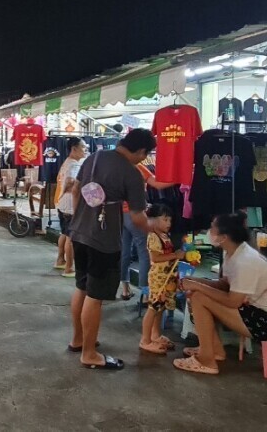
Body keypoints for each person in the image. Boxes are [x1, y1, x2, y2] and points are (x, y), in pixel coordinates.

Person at [67, 128, 156, 371]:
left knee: (82, 288)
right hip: (103, 241)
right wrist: (154, 228)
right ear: (140, 151)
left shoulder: (93, 157)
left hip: (79, 234)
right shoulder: (131, 173)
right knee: (95, 297)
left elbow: (75, 191)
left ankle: (78, 340)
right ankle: (89, 353)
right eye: (145, 155)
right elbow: (138, 217)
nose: (143, 159)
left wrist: (80, 220)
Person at [175, 213, 267, 375]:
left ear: (224, 237)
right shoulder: (231, 253)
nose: (209, 232)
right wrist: (196, 282)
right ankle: (215, 351)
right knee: (197, 295)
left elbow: (233, 301)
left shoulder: (246, 260)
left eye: (213, 228)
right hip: (257, 312)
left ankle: (207, 360)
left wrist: (196, 286)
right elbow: (223, 285)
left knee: (198, 297)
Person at [120, 158, 177, 300]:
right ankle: (145, 295)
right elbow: (157, 184)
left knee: (124, 252)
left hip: (118, 213)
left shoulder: (116, 166)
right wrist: (180, 178)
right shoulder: (138, 167)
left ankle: (125, 289)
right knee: (144, 252)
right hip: (136, 213)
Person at [138, 204, 183, 355]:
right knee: (153, 308)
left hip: (167, 279)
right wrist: (175, 255)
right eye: (165, 220)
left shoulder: (164, 235)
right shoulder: (153, 236)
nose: (169, 223)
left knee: (160, 307)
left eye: (169, 220)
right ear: (153, 220)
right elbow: (155, 257)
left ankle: (155, 335)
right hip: (159, 279)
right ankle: (145, 340)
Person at [54, 138, 86, 278]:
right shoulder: (74, 165)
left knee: (64, 233)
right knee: (71, 238)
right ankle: (69, 268)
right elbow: (71, 182)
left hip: (62, 203)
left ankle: (60, 259)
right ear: (74, 149)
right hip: (70, 205)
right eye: (83, 148)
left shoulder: (67, 162)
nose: (85, 150)